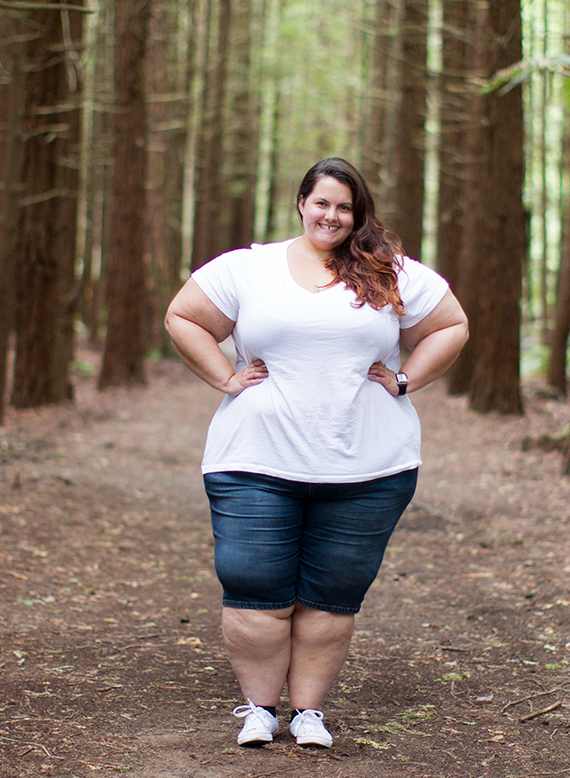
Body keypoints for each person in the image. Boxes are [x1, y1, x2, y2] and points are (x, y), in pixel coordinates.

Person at [164, 157, 468, 749]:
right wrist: (225, 377)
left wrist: (406, 380)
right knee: (253, 584)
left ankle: (308, 713)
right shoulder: (248, 268)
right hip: (254, 458)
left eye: (345, 207)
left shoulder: (388, 271)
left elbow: (451, 325)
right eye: (321, 202)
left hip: (369, 464)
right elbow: (183, 317)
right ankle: (259, 709)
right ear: (301, 203)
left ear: (358, 215)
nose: (332, 215)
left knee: (333, 594)